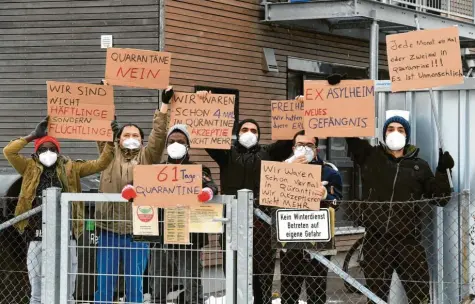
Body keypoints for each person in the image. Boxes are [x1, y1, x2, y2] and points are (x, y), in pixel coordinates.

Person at [326, 74, 454, 303]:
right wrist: (341, 90)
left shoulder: (419, 166)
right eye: (391, 129)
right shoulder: (371, 157)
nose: (395, 133)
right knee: (376, 298)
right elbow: (347, 129)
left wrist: (442, 171)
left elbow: (441, 198)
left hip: (409, 242)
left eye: (400, 129)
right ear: (384, 134)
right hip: (376, 242)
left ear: (407, 135)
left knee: (420, 297)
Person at [3, 116, 115, 304]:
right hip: (36, 235)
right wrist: (31, 136)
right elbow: (9, 152)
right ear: (37, 152)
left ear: (58, 151)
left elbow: (101, 164)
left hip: (67, 235)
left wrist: (110, 140)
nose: (48, 152)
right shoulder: (28, 167)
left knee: (67, 290)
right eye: (43, 149)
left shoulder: (71, 167)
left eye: (52, 149)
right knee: (37, 291)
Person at [204, 98, 294, 304]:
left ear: (259, 135)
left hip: (262, 219)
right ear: (238, 132)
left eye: (254, 130)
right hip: (233, 219)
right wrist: (206, 104)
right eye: (245, 129)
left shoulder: (268, 153)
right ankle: (235, 299)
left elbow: (290, 140)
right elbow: (207, 139)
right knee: (233, 263)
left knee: (262, 266)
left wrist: (301, 109)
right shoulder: (227, 154)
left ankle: (261, 301)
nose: (249, 133)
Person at [93, 87, 173, 303]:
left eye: (135, 135)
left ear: (142, 140)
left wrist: (164, 106)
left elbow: (158, 136)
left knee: (134, 281)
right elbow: (104, 128)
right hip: (108, 227)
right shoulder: (108, 154)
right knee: (105, 280)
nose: (130, 138)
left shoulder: (148, 156)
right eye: (126, 135)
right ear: (118, 139)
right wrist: (104, 98)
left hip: (138, 229)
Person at [146, 124, 219, 304]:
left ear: (188, 146)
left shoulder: (198, 170)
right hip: (161, 236)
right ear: (166, 145)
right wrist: (131, 189)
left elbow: (210, 185)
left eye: (180, 141)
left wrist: (208, 192)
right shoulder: (157, 170)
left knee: (191, 282)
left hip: (189, 238)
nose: (175, 144)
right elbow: (139, 184)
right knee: (158, 282)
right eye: (171, 141)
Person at [279, 130, 343, 304]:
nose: (304, 149)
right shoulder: (281, 170)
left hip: (318, 242)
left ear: (316, 149)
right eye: (300, 145)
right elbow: (271, 199)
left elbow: (337, 203)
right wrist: (287, 168)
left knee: (316, 293)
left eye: (309, 145)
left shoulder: (329, 173)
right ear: (293, 148)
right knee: (288, 292)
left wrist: (325, 196)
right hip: (290, 239)